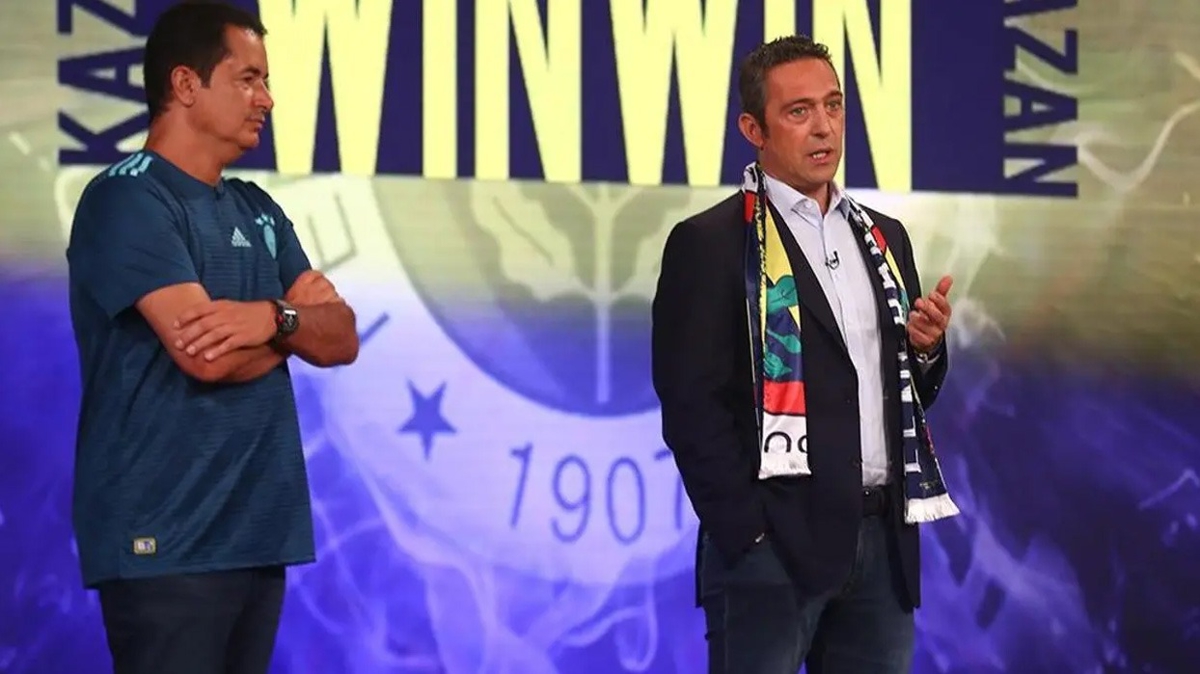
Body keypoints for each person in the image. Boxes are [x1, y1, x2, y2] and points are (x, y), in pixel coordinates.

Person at [64, 3, 360, 673]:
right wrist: (294, 324)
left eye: (266, 81)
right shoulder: (126, 199)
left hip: (256, 538)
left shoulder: (258, 208)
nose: (267, 99)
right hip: (165, 540)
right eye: (248, 78)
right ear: (185, 84)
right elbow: (206, 357)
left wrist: (272, 319)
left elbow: (341, 338)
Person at [651, 35, 961, 674]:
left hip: (882, 545)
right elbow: (690, 406)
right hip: (771, 552)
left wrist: (925, 350)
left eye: (833, 105)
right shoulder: (711, 244)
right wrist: (749, 533)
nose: (824, 126)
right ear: (753, 129)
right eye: (799, 111)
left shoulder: (884, 237)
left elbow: (900, 390)